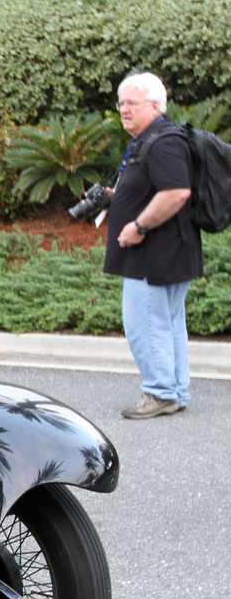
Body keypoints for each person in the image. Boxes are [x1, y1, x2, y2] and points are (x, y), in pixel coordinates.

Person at [105, 71, 201, 419]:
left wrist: (139, 225)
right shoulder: (155, 139)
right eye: (121, 103)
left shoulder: (163, 141)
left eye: (131, 103)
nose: (123, 109)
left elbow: (177, 192)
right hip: (170, 251)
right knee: (167, 322)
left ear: (156, 106)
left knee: (145, 322)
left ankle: (160, 393)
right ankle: (172, 391)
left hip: (153, 254)